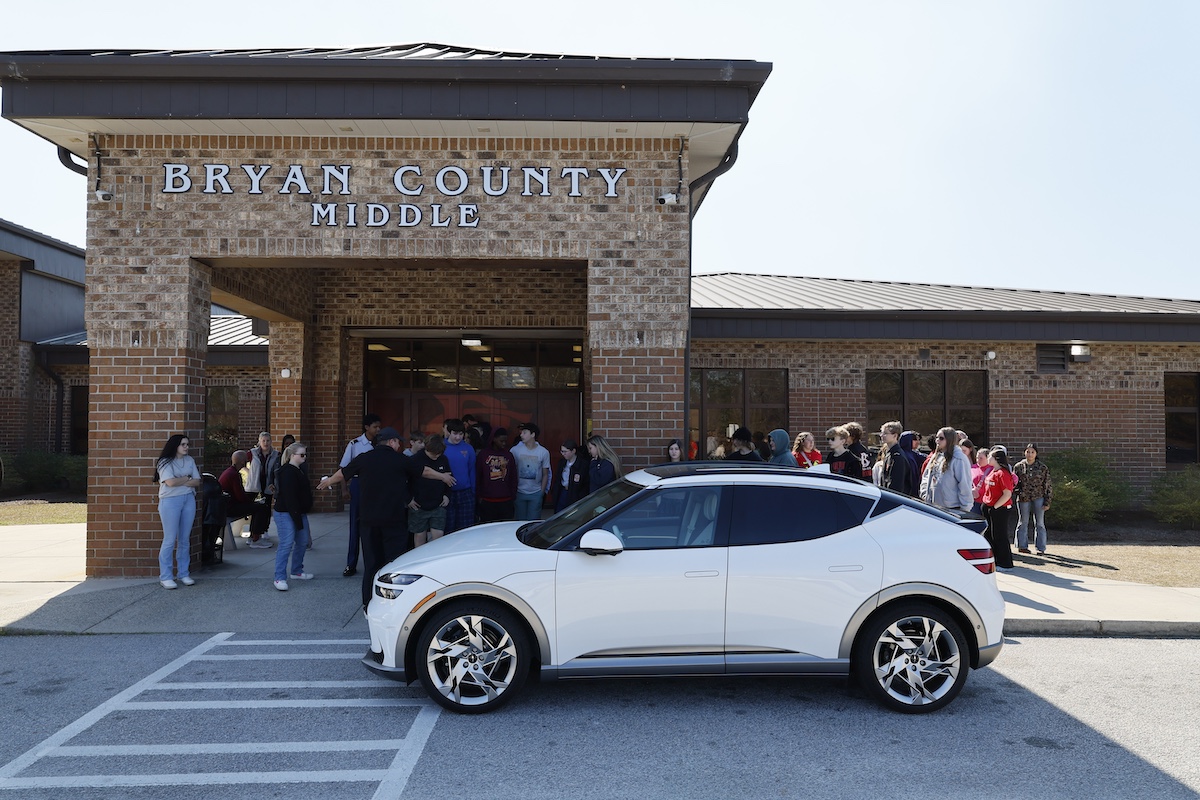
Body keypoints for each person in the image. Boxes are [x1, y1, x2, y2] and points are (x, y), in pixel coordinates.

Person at [319, 427, 450, 610]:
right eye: (397, 441)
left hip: (368, 521)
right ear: (391, 442)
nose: (399, 445)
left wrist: (328, 481)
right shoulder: (400, 460)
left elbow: (343, 473)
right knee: (394, 563)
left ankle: (368, 603)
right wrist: (442, 477)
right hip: (393, 521)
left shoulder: (364, 458)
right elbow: (425, 471)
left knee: (371, 563)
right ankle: (392, 604)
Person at [154, 434, 201, 589]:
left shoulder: (189, 460)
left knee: (184, 539)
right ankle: (166, 576)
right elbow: (170, 482)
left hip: (188, 499)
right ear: (175, 446)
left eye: (187, 444)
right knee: (169, 539)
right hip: (170, 502)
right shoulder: (164, 462)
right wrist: (187, 478)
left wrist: (183, 480)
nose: (186, 447)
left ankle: (183, 573)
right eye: (183, 444)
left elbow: (197, 481)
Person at [338, 414, 381, 577]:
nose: (378, 430)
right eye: (375, 427)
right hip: (358, 484)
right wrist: (344, 489)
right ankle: (351, 563)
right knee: (355, 525)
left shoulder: (381, 443)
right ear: (366, 427)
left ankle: (375, 562)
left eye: (379, 427)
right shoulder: (355, 444)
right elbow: (344, 468)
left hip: (376, 486)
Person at [271, 441, 313, 591]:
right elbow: (290, 497)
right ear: (292, 456)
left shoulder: (298, 470)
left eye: (305, 454)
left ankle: (296, 570)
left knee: (302, 541)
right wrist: (296, 516)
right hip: (285, 512)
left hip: (297, 512)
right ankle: (279, 577)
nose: (304, 457)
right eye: (302, 454)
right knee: (286, 543)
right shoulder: (288, 472)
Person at [218, 450, 272, 547]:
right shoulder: (234, 475)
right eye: (246, 461)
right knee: (261, 507)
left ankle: (253, 536)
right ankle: (256, 539)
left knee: (257, 506)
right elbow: (240, 496)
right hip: (229, 508)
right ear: (242, 462)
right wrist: (252, 503)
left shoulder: (229, 472)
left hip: (225, 506)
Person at [408, 433, 452, 547]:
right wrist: (408, 499)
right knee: (419, 537)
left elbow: (449, 478)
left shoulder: (443, 459)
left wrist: (447, 495)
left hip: (438, 503)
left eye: (439, 454)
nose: (436, 457)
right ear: (427, 448)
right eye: (433, 454)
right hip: (418, 504)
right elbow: (406, 481)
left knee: (438, 536)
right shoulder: (415, 459)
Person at [918, 427, 974, 512]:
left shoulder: (959, 458)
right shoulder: (935, 456)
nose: (937, 441)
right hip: (934, 507)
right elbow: (926, 477)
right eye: (936, 437)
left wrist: (965, 508)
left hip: (952, 509)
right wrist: (925, 495)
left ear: (949, 439)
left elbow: (964, 484)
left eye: (941, 438)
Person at [981, 446, 1017, 571]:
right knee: (990, 535)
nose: (988, 458)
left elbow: (1007, 493)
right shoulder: (993, 471)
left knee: (1000, 535)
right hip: (989, 506)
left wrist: (995, 507)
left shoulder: (1003, 473)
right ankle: (995, 559)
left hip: (1000, 509)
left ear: (996, 459)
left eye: (990, 456)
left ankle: (1005, 563)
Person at [1014, 443, 1053, 555]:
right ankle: (1022, 545)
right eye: (1028, 452)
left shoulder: (1042, 467)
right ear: (1024, 452)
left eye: (1032, 452)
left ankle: (1040, 547)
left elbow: (1047, 484)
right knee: (1023, 521)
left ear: (1036, 454)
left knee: (1039, 523)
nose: (1030, 454)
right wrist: (1018, 492)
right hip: (1023, 497)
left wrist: (1047, 500)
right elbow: (1014, 482)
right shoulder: (1019, 467)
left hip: (1038, 496)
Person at [442, 419, 477, 533]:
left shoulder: (468, 448)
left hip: (465, 493)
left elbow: (472, 470)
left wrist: (473, 491)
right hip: (446, 494)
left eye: (460, 434)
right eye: (455, 433)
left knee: (466, 529)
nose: (458, 437)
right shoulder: (441, 447)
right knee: (448, 527)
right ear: (448, 432)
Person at [476, 428, 518, 522]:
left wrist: (512, 495)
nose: (504, 444)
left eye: (505, 441)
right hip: (487, 501)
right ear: (494, 439)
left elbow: (513, 476)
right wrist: (479, 496)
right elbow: (478, 475)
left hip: (506, 500)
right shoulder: (483, 455)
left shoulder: (508, 455)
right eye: (501, 441)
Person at [511, 422, 551, 520]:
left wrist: (541, 492)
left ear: (533, 434)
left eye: (525, 432)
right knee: (519, 521)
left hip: (536, 492)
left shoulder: (543, 452)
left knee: (533, 523)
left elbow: (546, 474)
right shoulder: (515, 450)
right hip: (519, 492)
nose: (521, 435)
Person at [244, 431, 280, 539]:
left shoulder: (276, 454)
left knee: (266, 508)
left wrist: (274, 484)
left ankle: (265, 530)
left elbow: (277, 470)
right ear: (259, 441)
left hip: (268, 483)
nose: (266, 443)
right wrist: (249, 471)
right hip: (254, 484)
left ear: (271, 441)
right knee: (253, 508)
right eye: (263, 440)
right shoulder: (252, 453)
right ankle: (253, 532)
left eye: (268, 440)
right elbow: (240, 461)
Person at [552, 439, 590, 512]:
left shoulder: (582, 464)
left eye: (565, 451)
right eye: (562, 451)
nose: (563, 454)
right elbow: (557, 479)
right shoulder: (562, 463)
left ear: (573, 451)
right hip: (563, 491)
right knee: (559, 513)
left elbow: (585, 482)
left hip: (575, 493)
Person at [879, 421, 912, 495]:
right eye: (881, 433)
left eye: (885, 433)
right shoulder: (889, 453)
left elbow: (897, 485)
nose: (882, 435)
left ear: (895, 436)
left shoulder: (898, 457)